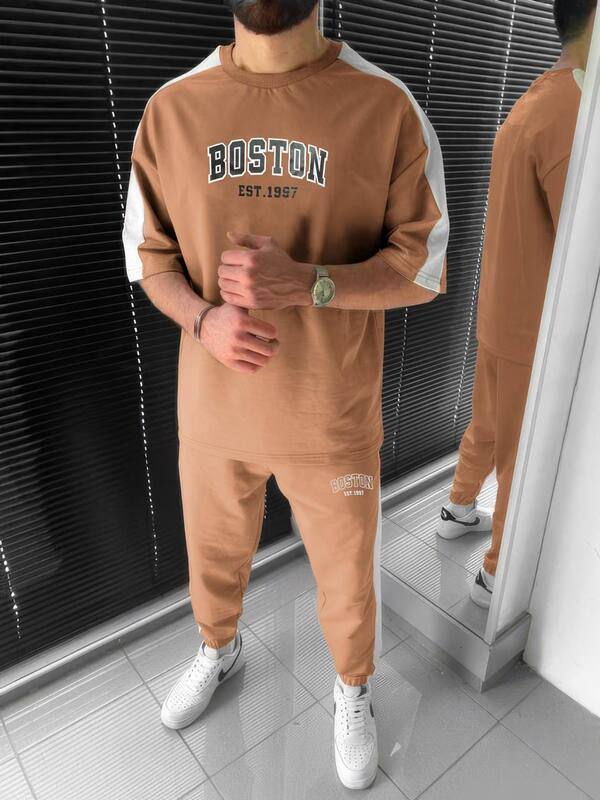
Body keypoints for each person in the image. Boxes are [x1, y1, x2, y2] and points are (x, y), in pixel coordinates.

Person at [122, 0, 448, 789]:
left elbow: (424, 269)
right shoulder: (172, 109)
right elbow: (150, 258)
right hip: (214, 410)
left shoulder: (385, 107)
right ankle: (219, 647)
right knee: (212, 554)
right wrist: (203, 320)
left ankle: (352, 687)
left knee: (346, 577)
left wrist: (311, 283)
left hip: (330, 416)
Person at [438, 0, 596, 609]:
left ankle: (457, 508)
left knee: (488, 425)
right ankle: (495, 575)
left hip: (502, 310)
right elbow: (583, 240)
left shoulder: (538, 96)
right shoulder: (575, 111)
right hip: (534, 327)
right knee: (521, 453)